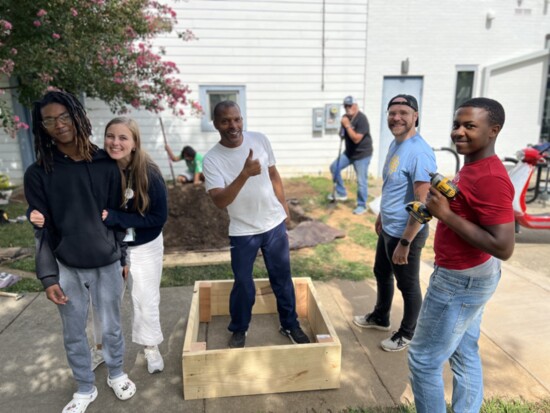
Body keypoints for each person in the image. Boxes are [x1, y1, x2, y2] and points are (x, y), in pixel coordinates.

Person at [24, 90, 136, 413]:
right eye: (49, 120)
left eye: (64, 116)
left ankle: (116, 372)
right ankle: (85, 387)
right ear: (42, 126)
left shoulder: (107, 164)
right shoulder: (39, 173)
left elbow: (118, 215)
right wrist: (48, 276)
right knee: (73, 331)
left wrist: (124, 257)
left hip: (107, 262)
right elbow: (40, 229)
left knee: (112, 326)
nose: (59, 125)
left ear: (77, 115)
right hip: (66, 265)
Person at [31, 117, 169, 375]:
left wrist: (118, 218)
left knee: (144, 297)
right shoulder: (96, 165)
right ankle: (101, 348)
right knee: (102, 301)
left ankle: (150, 345)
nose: (115, 142)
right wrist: (35, 212)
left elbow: (158, 218)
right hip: (107, 246)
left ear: (135, 143)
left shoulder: (148, 173)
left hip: (143, 244)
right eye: (110, 136)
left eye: (123, 137)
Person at [408, 98, 515, 413]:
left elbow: (504, 246)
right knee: (464, 349)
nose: (459, 132)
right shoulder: (473, 168)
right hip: (472, 274)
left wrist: (446, 215)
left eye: (470, 126)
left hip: (459, 280)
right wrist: (442, 204)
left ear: (493, 130)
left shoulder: (491, 178)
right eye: (457, 124)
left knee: (424, 360)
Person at [202, 100, 310, 348]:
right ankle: (240, 328)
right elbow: (220, 201)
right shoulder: (212, 159)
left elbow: (273, 174)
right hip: (243, 231)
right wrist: (244, 174)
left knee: (282, 278)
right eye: (226, 121)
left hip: (273, 224)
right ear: (216, 124)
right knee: (242, 283)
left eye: (237, 119)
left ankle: (290, 324)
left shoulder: (260, 139)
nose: (233, 125)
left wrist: (284, 207)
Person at [352, 94, 436, 352]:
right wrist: (382, 214)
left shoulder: (420, 153)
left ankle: (409, 333)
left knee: (408, 286)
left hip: (405, 233)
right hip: (389, 227)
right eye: (392, 113)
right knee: (381, 272)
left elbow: (423, 205)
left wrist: (405, 242)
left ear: (415, 116)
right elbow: (394, 187)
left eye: (403, 112)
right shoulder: (396, 143)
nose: (396, 118)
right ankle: (381, 316)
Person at [328, 95, 373, 215]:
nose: (348, 108)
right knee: (334, 167)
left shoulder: (362, 119)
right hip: (349, 153)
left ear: (356, 105)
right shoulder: (346, 118)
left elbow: (357, 139)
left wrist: (347, 125)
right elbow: (342, 135)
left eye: (350, 105)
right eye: (345, 106)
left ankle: (362, 205)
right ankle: (341, 192)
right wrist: (342, 128)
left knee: (361, 181)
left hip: (362, 154)